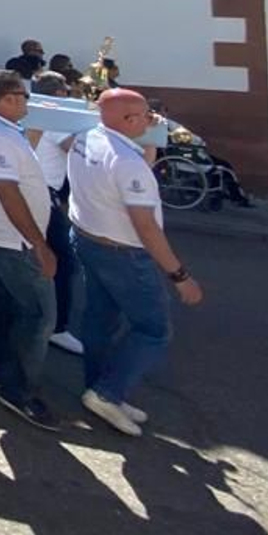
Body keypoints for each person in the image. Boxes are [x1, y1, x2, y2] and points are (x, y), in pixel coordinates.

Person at [68, 88, 203, 435]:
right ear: (128, 119)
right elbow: (145, 225)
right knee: (153, 329)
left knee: (100, 320)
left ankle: (99, 387)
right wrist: (179, 275)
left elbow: (132, 171)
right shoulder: (127, 163)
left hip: (88, 239)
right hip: (123, 253)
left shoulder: (88, 137)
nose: (152, 119)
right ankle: (106, 393)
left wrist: (148, 134)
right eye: (144, 114)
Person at [0, 69, 58, 431]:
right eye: (21, 96)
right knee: (39, 315)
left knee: (2, 306)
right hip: (13, 240)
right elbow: (8, 192)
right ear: (7, 100)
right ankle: (19, 390)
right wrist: (40, 244)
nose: (26, 102)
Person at [30, 69, 84, 356]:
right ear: (61, 94)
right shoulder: (55, 117)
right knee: (63, 261)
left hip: (44, 191)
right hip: (43, 192)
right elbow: (75, 148)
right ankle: (58, 327)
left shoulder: (40, 112)